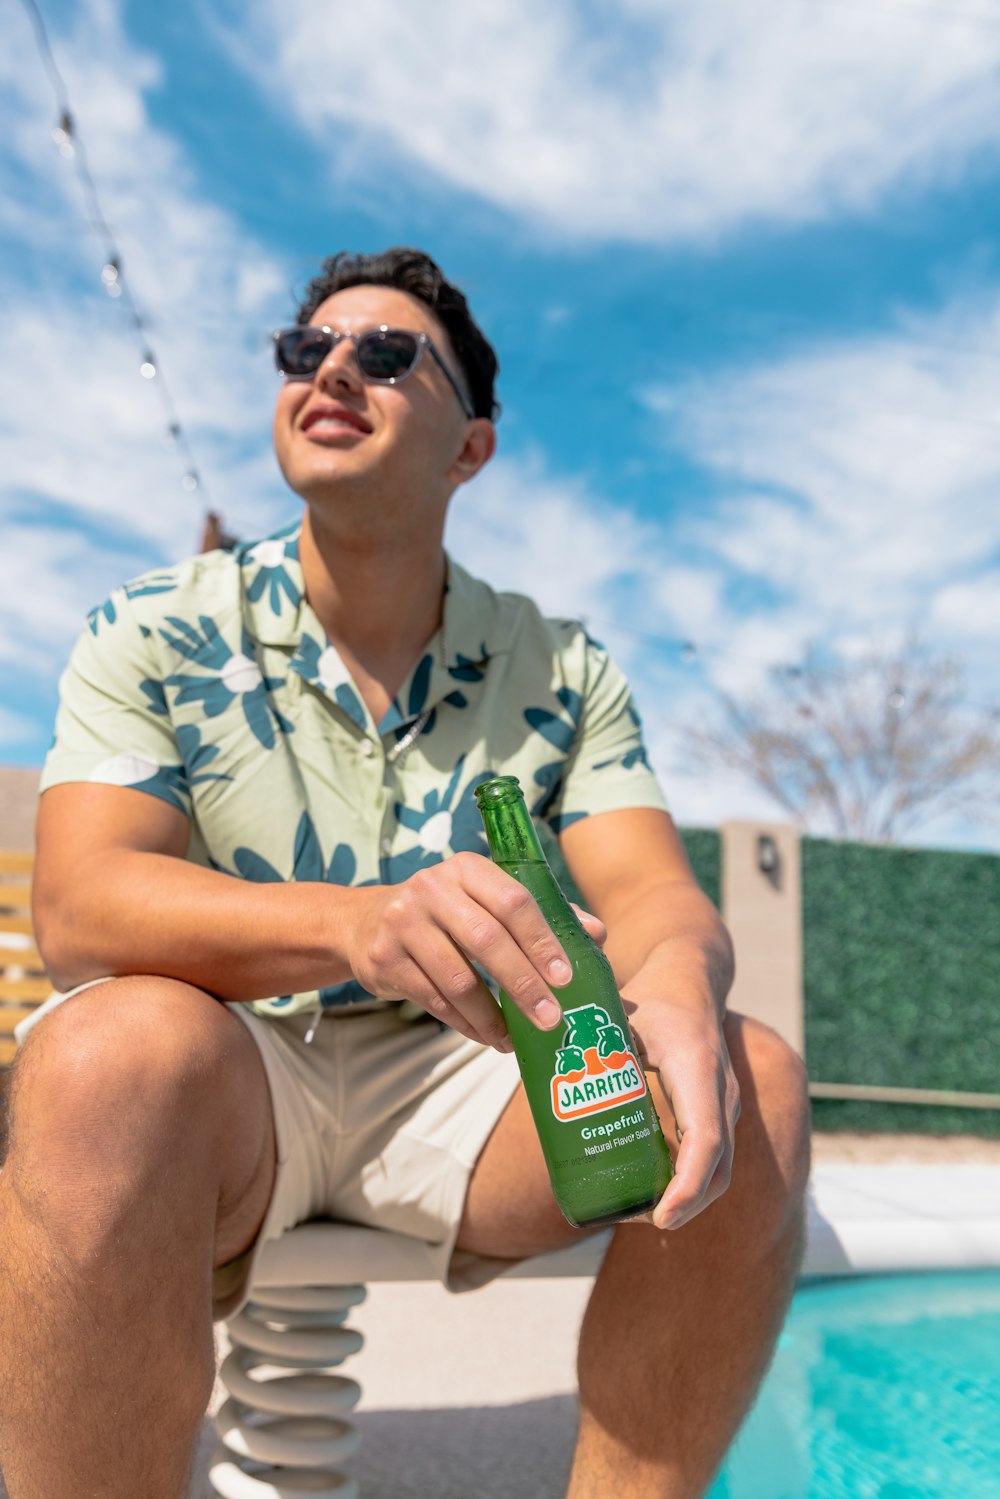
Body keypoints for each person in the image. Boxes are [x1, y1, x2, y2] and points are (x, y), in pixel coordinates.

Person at [0, 248, 810, 1499]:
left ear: (470, 448)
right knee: (106, 1059)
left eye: (386, 354)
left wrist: (683, 983)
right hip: (231, 1069)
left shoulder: (561, 665)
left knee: (744, 1074)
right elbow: (83, 907)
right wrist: (357, 924)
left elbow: (655, 897)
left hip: (473, 1085)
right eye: (303, 347)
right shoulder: (153, 623)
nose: (332, 367)